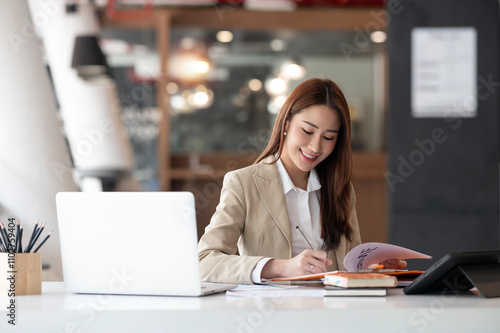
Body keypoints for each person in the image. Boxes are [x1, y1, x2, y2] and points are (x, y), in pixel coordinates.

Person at [198, 78, 405, 284]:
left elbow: (348, 268)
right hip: (274, 312)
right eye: (307, 131)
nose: (315, 147)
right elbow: (204, 262)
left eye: (329, 137)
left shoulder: (340, 189)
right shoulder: (244, 184)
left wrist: (373, 269)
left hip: (334, 312)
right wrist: (280, 267)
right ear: (286, 122)